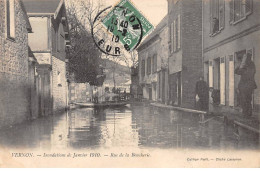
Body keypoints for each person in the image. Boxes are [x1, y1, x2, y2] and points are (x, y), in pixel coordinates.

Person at [235, 53, 257, 117]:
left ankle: (246, 113)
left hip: (246, 85)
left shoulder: (248, 65)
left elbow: (238, 72)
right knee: (247, 99)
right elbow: (236, 71)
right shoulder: (251, 64)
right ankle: (248, 113)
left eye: (245, 57)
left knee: (245, 99)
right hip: (249, 85)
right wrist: (241, 65)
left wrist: (241, 65)